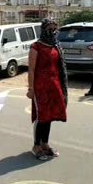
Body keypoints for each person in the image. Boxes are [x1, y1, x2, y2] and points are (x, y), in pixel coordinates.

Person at [26, 18, 68, 161]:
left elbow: (60, 68)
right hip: (40, 88)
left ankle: (45, 144)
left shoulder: (56, 46)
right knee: (42, 117)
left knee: (49, 117)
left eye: (54, 28)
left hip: (54, 86)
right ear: (43, 29)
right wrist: (31, 88)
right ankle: (36, 146)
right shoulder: (36, 47)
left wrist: (62, 88)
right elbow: (31, 69)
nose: (52, 31)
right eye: (49, 28)